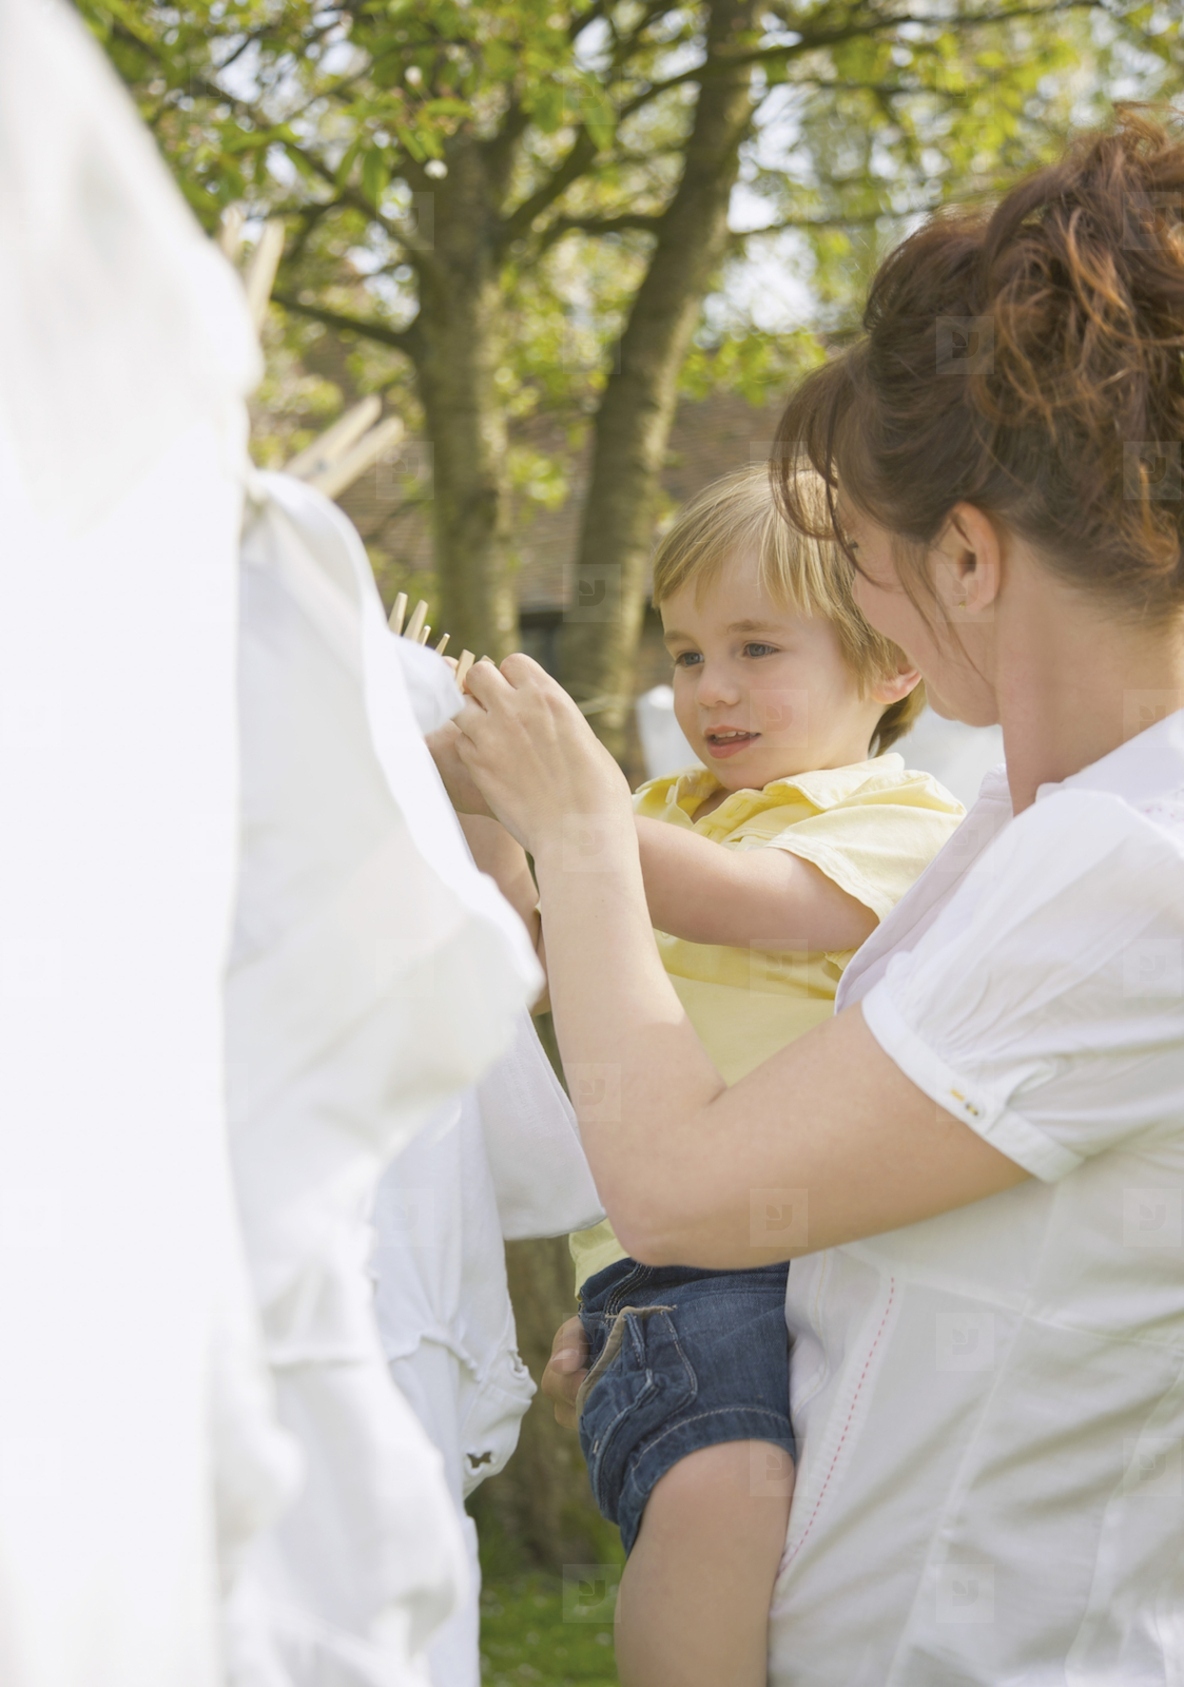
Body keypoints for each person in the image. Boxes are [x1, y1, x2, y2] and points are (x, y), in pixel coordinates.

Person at [451, 111, 1184, 1687]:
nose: (856, 594)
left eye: (858, 554)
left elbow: (681, 1186)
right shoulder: (1026, 824)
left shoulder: (1140, 866)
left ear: (971, 563)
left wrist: (583, 828)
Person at [437, 465, 962, 1683]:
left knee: (836, 1559)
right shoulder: (658, 810)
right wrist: (478, 805)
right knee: (724, 1490)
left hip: (844, 1247)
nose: (708, 690)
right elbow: (525, 960)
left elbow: (753, 904)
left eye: (755, 648)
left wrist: (568, 815)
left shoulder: (897, 817)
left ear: (892, 666)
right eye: (683, 656)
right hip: (693, 1271)